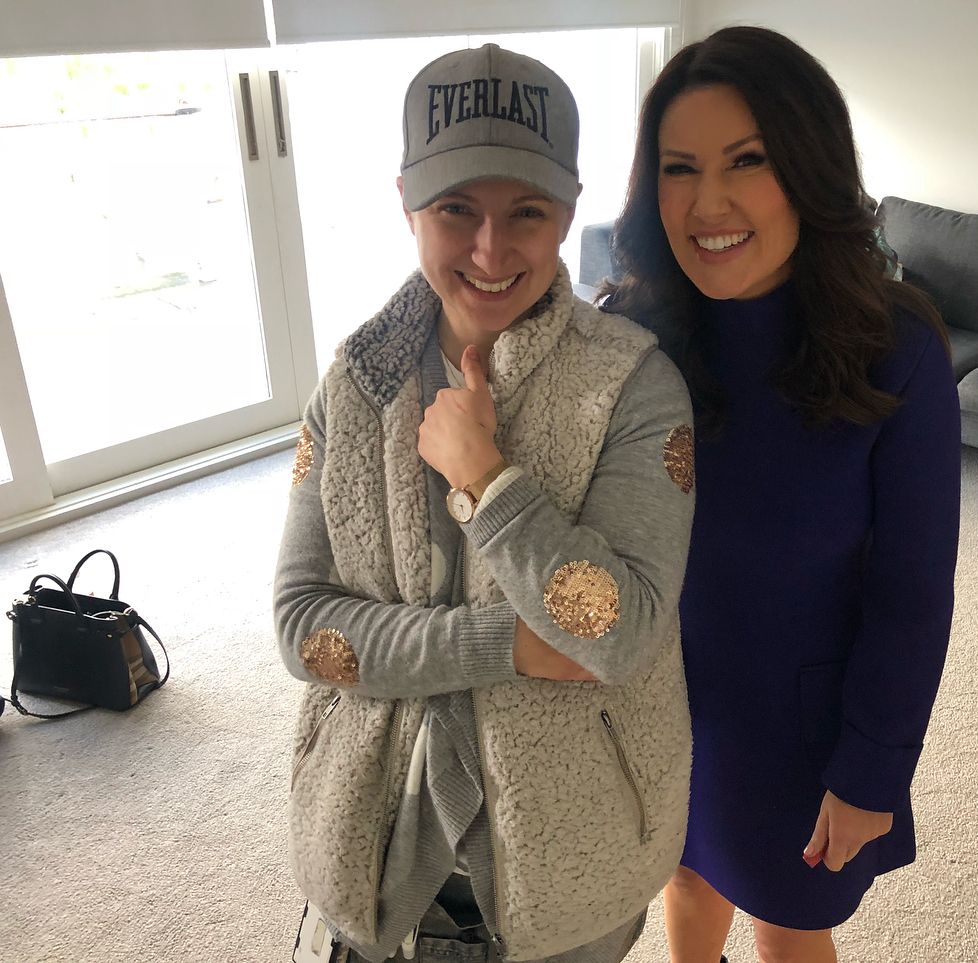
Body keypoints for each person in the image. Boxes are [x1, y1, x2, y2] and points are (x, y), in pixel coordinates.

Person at [274, 43, 696, 963]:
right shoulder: (352, 386)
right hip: (370, 844)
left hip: (573, 868)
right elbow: (303, 628)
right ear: (406, 203)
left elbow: (620, 635)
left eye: (526, 213)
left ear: (569, 213)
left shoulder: (634, 385)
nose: (491, 250)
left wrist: (488, 482)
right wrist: (504, 644)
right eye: (456, 209)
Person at [602, 25, 961, 963]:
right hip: (663, 705)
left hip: (801, 726)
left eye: (747, 160)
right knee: (687, 876)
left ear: (807, 165)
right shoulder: (631, 334)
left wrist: (874, 768)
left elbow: (913, 593)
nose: (707, 202)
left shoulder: (897, 348)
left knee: (791, 921)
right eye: (679, 168)